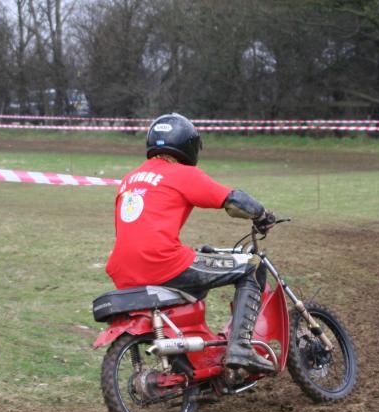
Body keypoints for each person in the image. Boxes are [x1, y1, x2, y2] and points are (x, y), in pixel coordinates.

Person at [105, 112, 276, 374]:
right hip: (163, 262)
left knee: (198, 262)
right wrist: (262, 215)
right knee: (251, 265)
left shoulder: (130, 178)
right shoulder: (182, 174)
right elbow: (233, 200)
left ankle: (194, 356)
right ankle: (241, 347)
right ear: (188, 145)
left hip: (122, 270)